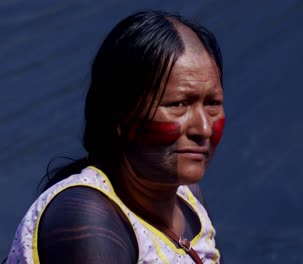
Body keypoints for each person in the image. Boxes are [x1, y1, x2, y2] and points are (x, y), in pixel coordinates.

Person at [7, 10, 225, 264]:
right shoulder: (86, 219)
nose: (203, 128)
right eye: (179, 104)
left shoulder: (186, 197)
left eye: (213, 103)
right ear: (120, 115)